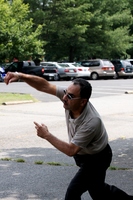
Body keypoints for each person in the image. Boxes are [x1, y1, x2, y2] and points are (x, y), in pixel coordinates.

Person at [4, 72, 133, 200]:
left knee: (73, 193)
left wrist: (47, 135)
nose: (64, 97)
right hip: (84, 156)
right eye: (65, 92)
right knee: (99, 191)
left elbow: (71, 150)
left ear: (83, 102)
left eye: (70, 96)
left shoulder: (92, 121)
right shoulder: (70, 99)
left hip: (97, 159)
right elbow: (44, 86)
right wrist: (21, 76)